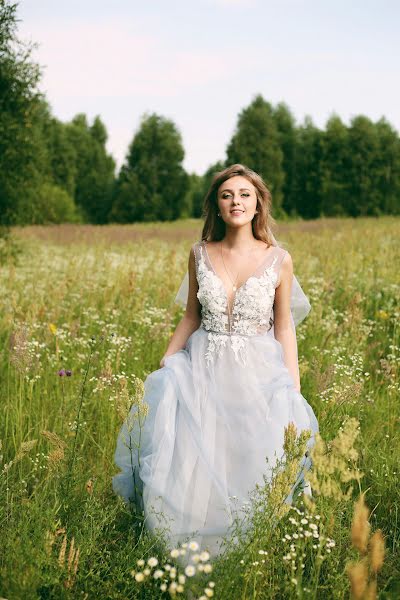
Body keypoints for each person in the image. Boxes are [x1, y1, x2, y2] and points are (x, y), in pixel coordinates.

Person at [112, 163, 319, 558]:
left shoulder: (279, 259)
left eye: (244, 194)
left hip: (256, 374)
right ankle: (189, 543)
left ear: (258, 204)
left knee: (247, 455)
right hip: (203, 369)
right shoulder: (199, 254)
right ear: (217, 206)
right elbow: (191, 316)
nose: (236, 201)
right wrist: (167, 362)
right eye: (227, 195)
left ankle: (242, 544)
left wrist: (293, 389)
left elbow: (285, 327)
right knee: (195, 456)